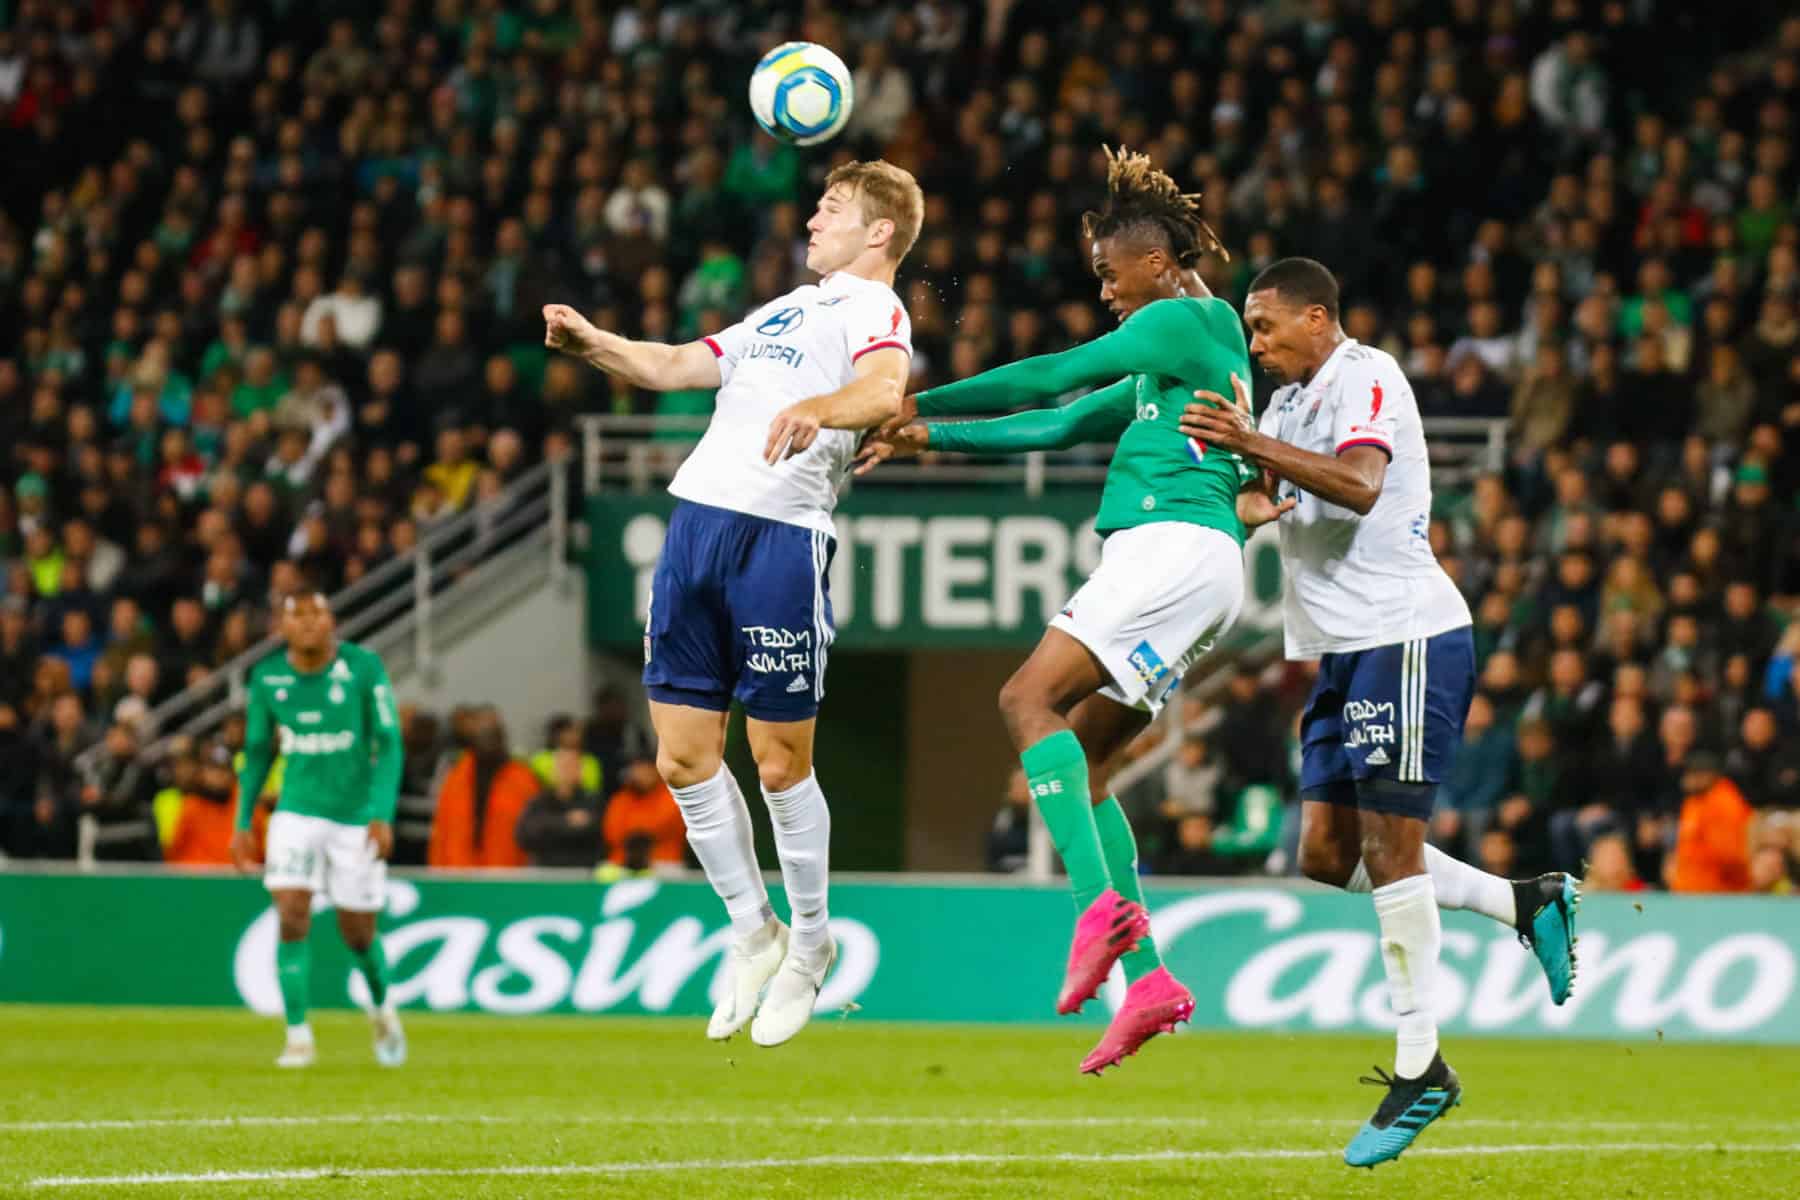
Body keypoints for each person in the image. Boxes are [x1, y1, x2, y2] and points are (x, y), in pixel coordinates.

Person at [857, 147, 1263, 1074]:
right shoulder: (1186, 356)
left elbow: (1048, 375)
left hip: (1168, 546)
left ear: (1155, 263)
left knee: (1022, 702)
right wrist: (932, 434)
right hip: (1207, 570)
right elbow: (1055, 423)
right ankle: (1151, 982)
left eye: (1111, 274)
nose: (1108, 291)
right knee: (1084, 766)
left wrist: (913, 393)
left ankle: (1098, 912)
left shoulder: (1186, 319)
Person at [1176, 258, 1578, 1168]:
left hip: (1408, 635)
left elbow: (1357, 485)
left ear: (1320, 316)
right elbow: (1262, 489)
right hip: (1341, 648)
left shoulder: (1369, 375)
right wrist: (1247, 493)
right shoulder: (1280, 409)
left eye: (1268, 323)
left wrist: (1257, 446)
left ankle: (1420, 1066)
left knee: (1390, 846)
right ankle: (1527, 903)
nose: (1257, 340)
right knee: (1326, 854)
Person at [543, 160, 919, 1048]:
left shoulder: (876, 310)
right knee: (681, 760)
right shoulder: (787, 306)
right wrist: (595, 342)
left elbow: (883, 392)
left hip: (780, 539)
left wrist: (820, 410)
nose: (815, 217)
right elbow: (677, 365)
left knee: (780, 764)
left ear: (879, 234)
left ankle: (813, 947)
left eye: (834, 208)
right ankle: (755, 933)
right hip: (695, 529)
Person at [230, 593, 405, 1070]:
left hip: (355, 816)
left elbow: (388, 744)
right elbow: (258, 751)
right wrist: (243, 820)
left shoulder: (363, 668)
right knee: (291, 912)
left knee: (357, 932)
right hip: (296, 812)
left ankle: (383, 1008)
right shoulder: (267, 678)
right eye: (296, 615)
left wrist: (382, 812)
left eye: (316, 614)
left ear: (332, 621)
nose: (308, 624)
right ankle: (298, 1035)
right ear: (280, 626)